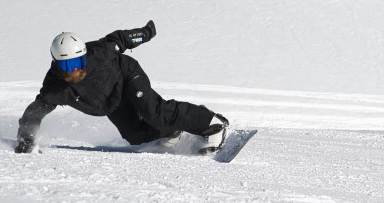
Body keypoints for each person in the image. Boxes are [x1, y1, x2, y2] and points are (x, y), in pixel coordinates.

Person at [15, 21, 227, 153]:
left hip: (126, 76)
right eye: (67, 65)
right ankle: (172, 132)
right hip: (111, 102)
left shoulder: (99, 53)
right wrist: (26, 138)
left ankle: (212, 122)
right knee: (135, 135)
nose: (75, 70)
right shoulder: (55, 87)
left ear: (84, 56)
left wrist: (145, 33)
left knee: (154, 111)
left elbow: (120, 39)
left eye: (78, 62)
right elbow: (34, 113)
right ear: (56, 64)